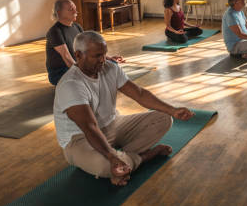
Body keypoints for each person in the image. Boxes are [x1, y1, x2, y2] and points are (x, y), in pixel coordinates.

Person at [54, 31, 195, 186]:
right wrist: (111, 157)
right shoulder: (71, 85)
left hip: (113, 124)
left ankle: (122, 162)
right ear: (79, 55)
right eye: (97, 56)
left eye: (104, 54)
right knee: (103, 166)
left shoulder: (110, 68)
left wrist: (173, 110)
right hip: (80, 139)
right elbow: (90, 127)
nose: (103, 60)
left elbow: (140, 94)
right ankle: (143, 157)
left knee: (164, 119)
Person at [45, 0, 123, 85]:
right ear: (59, 13)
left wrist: (108, 58)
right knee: (95, 73)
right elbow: (67, 58)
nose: (76, 11)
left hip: (78, 65)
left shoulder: (77, 27)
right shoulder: (55, 32)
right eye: (71, 9)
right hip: (60, 71)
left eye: (75, 8)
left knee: (112, 64)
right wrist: (85, 74)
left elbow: (89, 49)